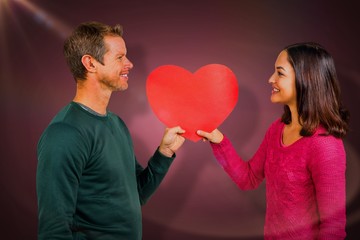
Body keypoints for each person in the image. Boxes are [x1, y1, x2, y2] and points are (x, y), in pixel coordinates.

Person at [36, 21, 185, 240]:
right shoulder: (64, 134)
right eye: (119, 57)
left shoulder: (116, 124)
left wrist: (164, 153)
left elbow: (137, 194)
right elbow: (53, 231)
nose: (130, 64)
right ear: (90, 63)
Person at [197, 42, 349, 239]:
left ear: (306, 79)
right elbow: (248, 179)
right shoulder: (276, 129)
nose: (271, 79)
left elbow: (333, 228)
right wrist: (219, 140)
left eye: (280, 73)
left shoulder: (325, 145)